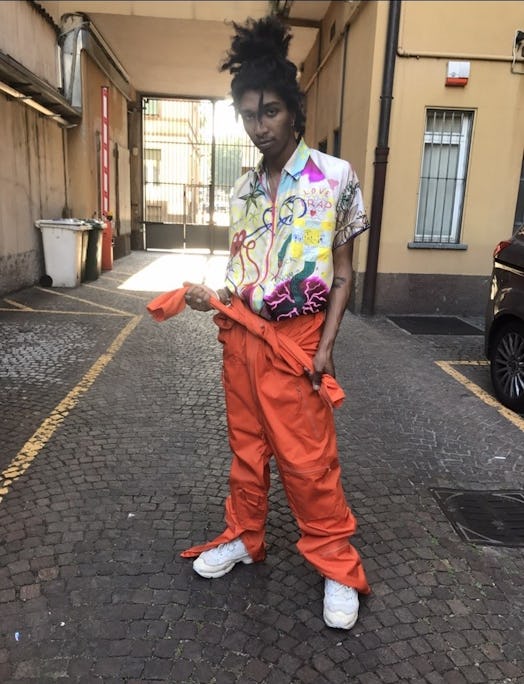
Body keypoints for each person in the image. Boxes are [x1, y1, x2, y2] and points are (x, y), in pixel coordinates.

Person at [175, 16, 371, 629]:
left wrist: (328, 346)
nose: (259, 128)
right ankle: (245, 535)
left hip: (299, 341)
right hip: (242, 339)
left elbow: (343, 273)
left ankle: (337, 563)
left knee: (309, 461)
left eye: (270, 113)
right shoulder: (242, 192)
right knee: (247, 451)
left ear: (294, 111)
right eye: (248, 115)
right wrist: (217, 297)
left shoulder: (335, 178)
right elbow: (243, 270)